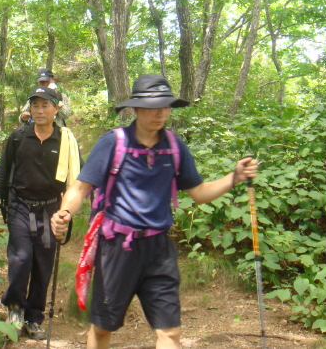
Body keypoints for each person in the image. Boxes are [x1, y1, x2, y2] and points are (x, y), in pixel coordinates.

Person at [51, 74, 258, 349]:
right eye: (153, 106)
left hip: (159, 250)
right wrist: (64, 213)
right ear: (135, 108)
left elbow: (200, 192)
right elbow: (80, 188)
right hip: (116, 249)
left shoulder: (174, 146)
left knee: (169, 332)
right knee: (102, 329)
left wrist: (235, 177)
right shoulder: (113, 142)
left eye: (166, 105)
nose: (161, 113)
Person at [0, 86, 81, 339]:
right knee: (20, 258)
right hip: (19, 205)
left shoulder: (65, 141)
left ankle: (34, 317)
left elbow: (76, 179)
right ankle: (15, 310)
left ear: (56, 109)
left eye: (44, 105)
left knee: (43, 263)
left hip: (50, 208)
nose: (39, 110)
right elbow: (4, 169)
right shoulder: (18, 137)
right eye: (35, 105)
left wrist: (67, 211)